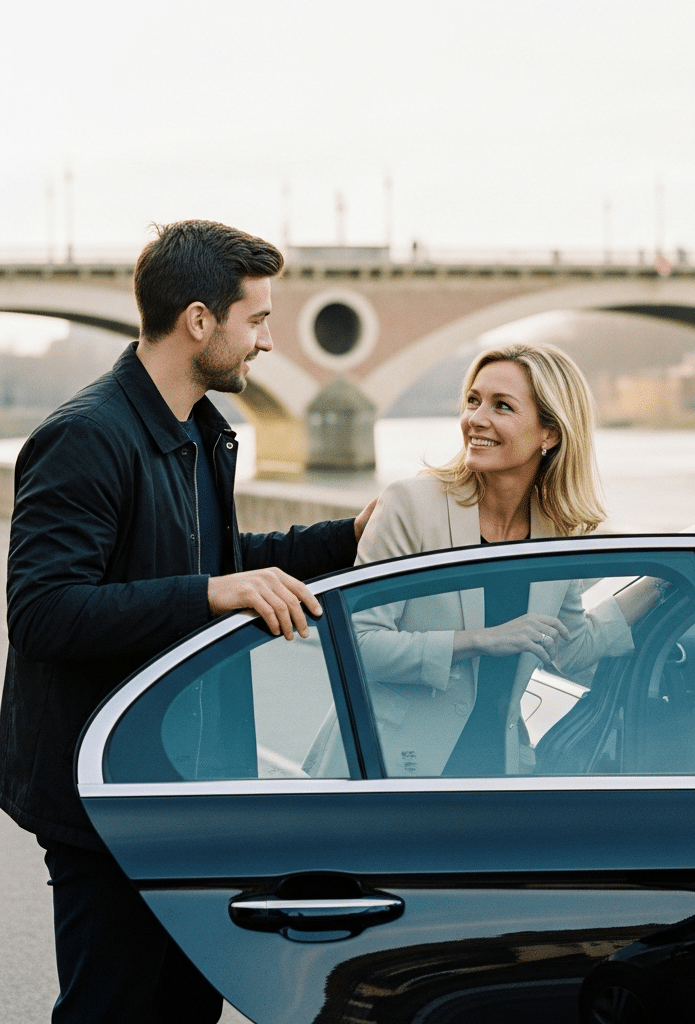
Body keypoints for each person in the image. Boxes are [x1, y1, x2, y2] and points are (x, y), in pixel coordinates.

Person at [0, 220, 373, 1023]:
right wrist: (211, 595)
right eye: (258, 320)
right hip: (106, 797)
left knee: (183, 1008)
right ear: (199, 321)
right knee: (114, 1008)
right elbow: (42, 612)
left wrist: (348, 537)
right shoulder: (87, 437)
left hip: (185, 788)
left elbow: (229, 555)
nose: (268, 342)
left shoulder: (198, 432)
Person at [352, 341, 661, 777]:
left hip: (497, 766)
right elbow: (356, 646)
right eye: (473, 401)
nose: (476, 419)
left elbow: (571, 645)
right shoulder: (410, 505)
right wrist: (481, 639)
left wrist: (666, 579)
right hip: (388, 770)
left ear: (549, 433)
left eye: (502, 406)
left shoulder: (557, 530)